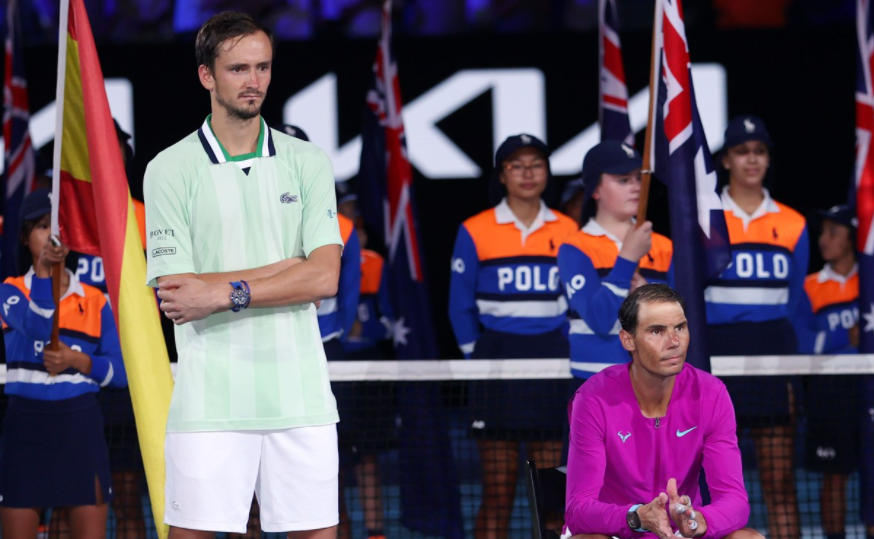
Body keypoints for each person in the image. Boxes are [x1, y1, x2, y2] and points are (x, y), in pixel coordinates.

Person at [143, 12, 342, 539]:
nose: (254, 81)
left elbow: (325, 279)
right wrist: (287, 267)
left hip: (300, 397)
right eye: (238, 69)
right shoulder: (169, 168)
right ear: (207, 76)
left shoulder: (308, 161)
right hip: (209, 401)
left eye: (262, 67)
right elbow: (178, 294)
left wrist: (224, 290)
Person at [449, 133, 578, 539]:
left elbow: (578, 300)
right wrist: (481, 359)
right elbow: (460, 306)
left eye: (536, 164)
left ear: (547, 172)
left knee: (552, 494)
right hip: (497, 364)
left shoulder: (570, 228)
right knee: (498, 490)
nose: (527, 173)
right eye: (516, 165)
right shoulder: (475, 229)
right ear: (502, 175)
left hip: (554, 366)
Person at [564, 284, 761, 539]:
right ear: (628, 340)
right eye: (657, 331)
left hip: (681, 531)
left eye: (679, 327)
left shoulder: (711, 393)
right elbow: (578, 509)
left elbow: (735, 501)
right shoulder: (593, 399)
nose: (674, 342)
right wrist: (636, 516)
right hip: (616, 529)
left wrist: (698, 520)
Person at [0, 188, 128, 539]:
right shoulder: (7, 292)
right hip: (25, 430)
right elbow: (40, 325)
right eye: (42, 226)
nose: (52, 236)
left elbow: (124, 374)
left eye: (58, 227)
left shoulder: (97, 300)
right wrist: (43, 272)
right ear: (25, 236)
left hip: (80, 429)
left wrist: (80, 360)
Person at [704, 115, 808, 539]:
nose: (752, 159)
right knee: (712, 490)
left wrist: (797, 370)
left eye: (759, 151)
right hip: (715, 356)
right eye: (743, 151)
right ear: (726, 159)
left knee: (780, 484)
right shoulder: (703, 218)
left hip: (773, 356)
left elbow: (797, 301)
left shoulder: (794, 223)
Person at [558, 140, 673, 385]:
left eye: (638, 178)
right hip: (594, 381)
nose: (635, 187)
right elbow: (599, 321)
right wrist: (627, 259)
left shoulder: (664, 246)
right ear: (595, 190)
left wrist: (647, 298)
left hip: (655, 381)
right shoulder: (575, 248)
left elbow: (680, 322)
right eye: (623, 180)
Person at [795, 204, 861, 539]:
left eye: (834, 232)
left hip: (869, 390)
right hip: (830, 394)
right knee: (834, 477)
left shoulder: (871, 283)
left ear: (852, 238)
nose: (824, 240)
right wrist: (842, 338)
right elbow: (800, 341)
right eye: (823, 232)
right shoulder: (808, 286)